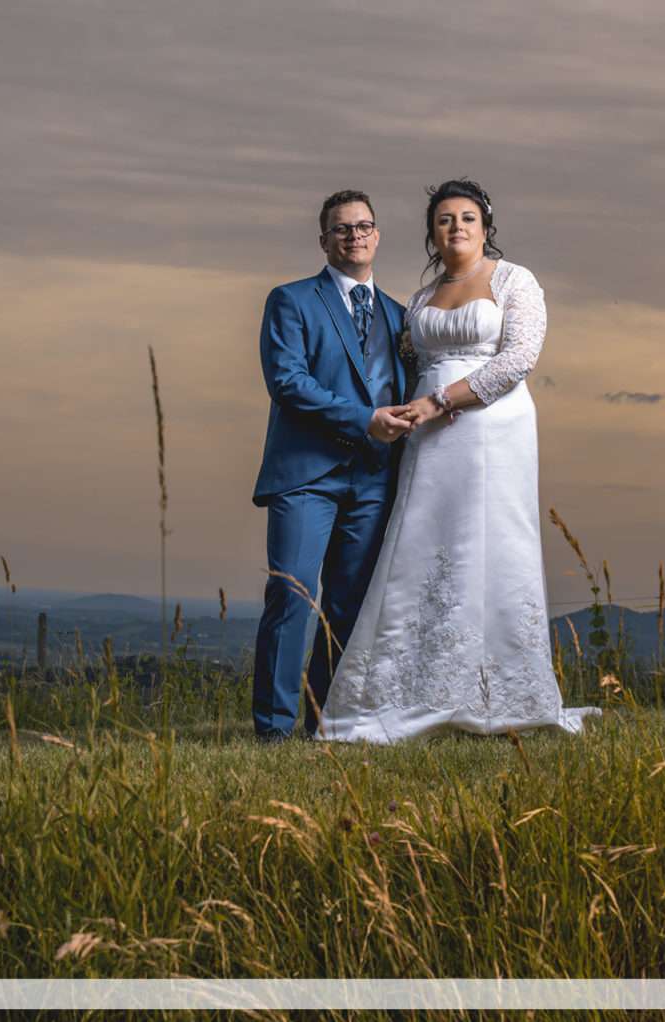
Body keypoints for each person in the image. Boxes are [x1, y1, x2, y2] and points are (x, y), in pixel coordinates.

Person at [316, 179, 601, 741]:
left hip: (494, 429)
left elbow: (519, 358)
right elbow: (401, 363)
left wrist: (444, 398)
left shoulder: (516, 281)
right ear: (431, 232)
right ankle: (414, 689)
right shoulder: (420, 300)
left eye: (467, 218)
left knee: (492, 544)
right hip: (429, 437)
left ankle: (503, 690)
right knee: (424, 545)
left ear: (486, 225)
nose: (457, 228)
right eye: (444, 219)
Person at [251, 189, 415, 742]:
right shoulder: (291, 301)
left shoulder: (399, 315)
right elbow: (289, 383)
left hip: (373, 479)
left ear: (378, 235)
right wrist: (364, 419)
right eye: (341, 228)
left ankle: (325, 725)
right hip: (306, 475)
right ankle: (273, 730)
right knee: (294, 596)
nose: (354, 235)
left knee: (347, 609)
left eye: (364, 226)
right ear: (323, 240)